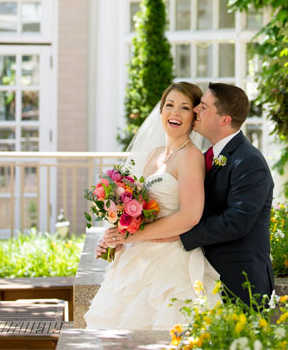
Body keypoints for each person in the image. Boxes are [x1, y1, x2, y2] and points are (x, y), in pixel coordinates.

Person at [84, 82, 221, 330]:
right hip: (138, 253)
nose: (175, 113)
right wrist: (117, 235)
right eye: (169, 105)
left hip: (171, 257)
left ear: (194, 117)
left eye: (184, 107)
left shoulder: (190, 156)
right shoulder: (154, 155)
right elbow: (140, 209)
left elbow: (191, 216)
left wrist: (133, 235)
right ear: (160, 111)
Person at [179, 83, 274, 307]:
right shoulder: (204, 157)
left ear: (225, 120)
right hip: (207, 278)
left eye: (203, 107)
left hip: (241, 281)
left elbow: (236, 222)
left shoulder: (249, 161)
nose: (195, 111)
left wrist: (180, 236)